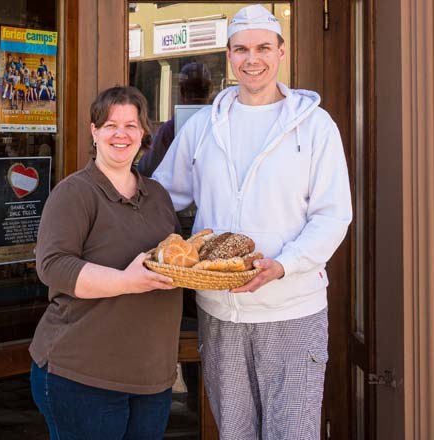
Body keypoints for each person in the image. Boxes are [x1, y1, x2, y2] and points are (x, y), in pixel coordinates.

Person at [151, 4, 353, 439]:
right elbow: (163, 195)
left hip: (292, 309)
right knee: (235, 434)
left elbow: (333, 214)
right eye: (241, 49)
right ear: (229, 56)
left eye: (263, 47)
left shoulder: (316, 127)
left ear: (281, 52)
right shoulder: (203, 126)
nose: (252, 58)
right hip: (220, 313)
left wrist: (285, 264)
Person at [30, 86, 183, 439]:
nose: (121, 134)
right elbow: (52, 265)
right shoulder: (75, 193)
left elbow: (174, 260)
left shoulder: (157, 194)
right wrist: (127, 281)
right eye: (111, 124)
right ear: (94, 131)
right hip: (83, 375)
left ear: (145, 133)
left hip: (152, 378)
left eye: (131, 125)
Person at [136, 62, 212, 178]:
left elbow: (146, 169)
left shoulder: (169, 130)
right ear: (210, 90)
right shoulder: (222, 123)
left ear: (181, 91)